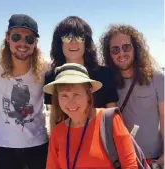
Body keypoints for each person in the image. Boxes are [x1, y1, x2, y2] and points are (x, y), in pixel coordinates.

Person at [0, 14, 49, 169]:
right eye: (17, 37)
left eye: (29, 39)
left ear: (35, 43)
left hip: (38, 146)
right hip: (5, 148)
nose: (23, 43)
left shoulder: (45, 68)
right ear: (7, 37)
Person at [44, 63, 138, 169]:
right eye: (64, 96)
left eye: (76, 95)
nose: (70, 103)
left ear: (88, 95)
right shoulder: (57, 132)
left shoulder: (110, 120)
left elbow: (130, 165)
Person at [100, 24, 164, 168]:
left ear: (136, 48)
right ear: (109, 54)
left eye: (126, 47)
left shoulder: (157, 77)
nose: (121, 53)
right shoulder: (108, 82)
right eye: (115, 50)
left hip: (153, 159)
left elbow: (164, 117)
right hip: (122, 159)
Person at [44, 16, 119, 131]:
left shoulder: (104, 75)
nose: (73, 43)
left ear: (86, 42)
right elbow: (54, 117)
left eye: (80, 38)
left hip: (98, 141)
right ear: (59, 43)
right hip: (66, 144)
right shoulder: (51, 77)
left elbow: (112, 116)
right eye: (67, 38)